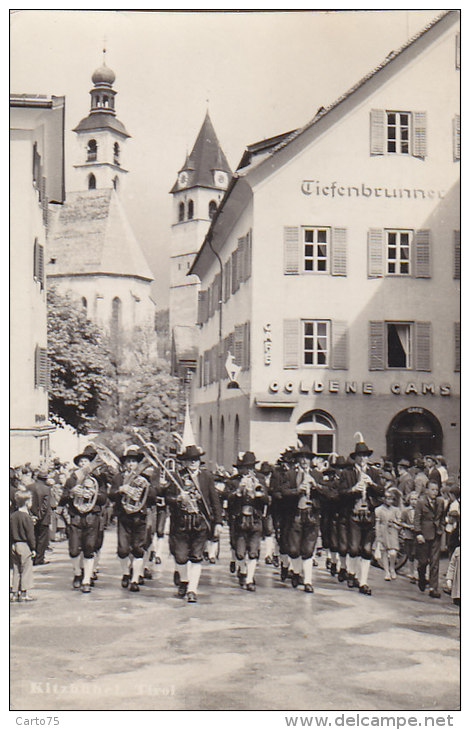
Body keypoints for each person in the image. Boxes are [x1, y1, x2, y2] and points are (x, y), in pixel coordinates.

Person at [166, 444, 223, 602]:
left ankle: (192, 590)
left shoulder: (207, 477)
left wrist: (218, 522)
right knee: (181, 557)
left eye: (196, 460)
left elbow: (214, 501)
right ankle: (184, 580)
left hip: (200, 522)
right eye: (190, 460)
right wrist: (178, 498)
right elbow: (167, 498)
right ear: (185, 462)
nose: (193, 463)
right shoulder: (177, 477)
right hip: (181, 523)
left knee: (196, 557)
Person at [280, 445, 332, 593]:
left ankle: (308, 581)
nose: (304, 461)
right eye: (301, 458)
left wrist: (316, 486)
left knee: (308, 549)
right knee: (294, 549)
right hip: (295, 514)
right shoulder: (290, 475)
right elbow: (283, 492)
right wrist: (298, 490)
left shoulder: (317, 475)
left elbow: (329, 493)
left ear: (311, 460)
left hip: (311, 515)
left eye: (307, 458)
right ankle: (296, 572)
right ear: (297, 460)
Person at [60, 444, 109, 592]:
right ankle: (77, 573)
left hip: (91, 517)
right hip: (75, 517)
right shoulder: (72, 480)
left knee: (89, 548)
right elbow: (62, 500)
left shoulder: (98, 480)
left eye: (86, 462)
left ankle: (86, 580)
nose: (83, 464)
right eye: (80, 462)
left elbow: (103, 499)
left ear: (90, 464)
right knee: (74, 550)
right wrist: (71, 493)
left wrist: (93, 494)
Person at [340, 439, 384, 595]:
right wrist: (353, 489)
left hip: (368, 514)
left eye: (366, 456)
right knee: (353, 548)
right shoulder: (347, 473)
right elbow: (340, 494)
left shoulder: (373, 473)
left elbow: (382, 493)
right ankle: (351, 572)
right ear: (355, 458)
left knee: (366, 550)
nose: (363, 459)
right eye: (360, 456)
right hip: (353, 514)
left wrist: (371, 484)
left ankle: (363, 582)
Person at [110, 445, 156, 593]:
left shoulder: (145, 478)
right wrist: (120, 490)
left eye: (134, 462)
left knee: (138, 549)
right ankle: (125, 573)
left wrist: (146, 489)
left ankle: (135, 579)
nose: (131, 464)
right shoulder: (119, 478)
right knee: (123, 550)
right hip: (124, 516)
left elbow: (153, 498)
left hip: (139, 517)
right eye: (128, 462)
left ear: (137, 463)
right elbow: (111, 495)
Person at [226, 451, 269, 592]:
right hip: (239, 519)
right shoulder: (233, 481)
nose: (249, 470)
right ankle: (242, 570)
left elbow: (267, 501)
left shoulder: (261, 479)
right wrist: (239, 490)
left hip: (255, 519)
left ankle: (250, 579)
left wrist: (259, 492)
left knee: (253, 551)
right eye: (246, 467)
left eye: (251, 467)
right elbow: (226, 498)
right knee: (239, 552)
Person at [414, 480, 446, 598]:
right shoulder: (421, 502)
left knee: (435, 562)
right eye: (432, 489)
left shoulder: (440, 502)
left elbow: (442, 516)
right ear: (427, 490)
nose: (434, 492)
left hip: (436, 535)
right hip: (423, 535)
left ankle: (433, 588)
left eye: (436, 490)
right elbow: (417, 519)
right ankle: (421, 576)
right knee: (423, 562)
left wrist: (441, 527)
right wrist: (418, 533)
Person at [10, 491, 36, 602]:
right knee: (26, 569)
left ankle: (14, 593)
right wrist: (33, 548)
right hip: (24, 545)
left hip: (14, 545)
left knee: (16, 569)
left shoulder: (12, 516)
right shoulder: (27, 517)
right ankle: (24, 593)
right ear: (27, 502)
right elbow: (30, 535)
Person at [374, 489, 402, 580]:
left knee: (393, 552)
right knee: (384, 552)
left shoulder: (396, 510)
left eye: (391, 499)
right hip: (383, 532)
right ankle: (386, 572)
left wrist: (394, 524)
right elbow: (377, 523)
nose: (389, 501)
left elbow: (399, 523)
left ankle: (392, 568)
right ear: (384, 499)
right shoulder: (378, 510)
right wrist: (378, 536)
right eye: (387, 499)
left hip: (393, 531)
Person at [30, 464, 52, 565]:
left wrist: (32, 515)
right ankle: (39, 559)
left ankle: (32, 558)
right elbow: (45, 506)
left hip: (31, 517)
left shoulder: (29, 487)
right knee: (42, 539)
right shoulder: (46, 489)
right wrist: (39, 517)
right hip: (43, 519)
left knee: (33, 537)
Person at [400, 491, 419, 582]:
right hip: (408, 535)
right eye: (412, 499)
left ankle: (415, 572)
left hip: (416, 536)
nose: (413, 501)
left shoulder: (420, 511)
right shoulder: (405, 511)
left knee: (416, 554)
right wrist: (408, 526)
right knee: (409, 554)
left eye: (415, 499)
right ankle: (411, 573)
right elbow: (401, 521)